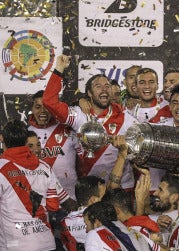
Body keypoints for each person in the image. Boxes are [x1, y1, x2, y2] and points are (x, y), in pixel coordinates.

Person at [43, 55, 138, 190]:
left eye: (107, 86)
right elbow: (49, 102)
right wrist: (59, 69)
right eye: (98, 86)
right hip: (91, 190)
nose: (104, 89)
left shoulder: (126, 118)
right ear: (89, 93)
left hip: (121, 187)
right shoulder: (79, 115)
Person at [0, 120, 60, 251]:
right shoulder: (45, 167)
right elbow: (53, 206)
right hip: (46, 245)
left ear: (2, 139)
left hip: (16, 249)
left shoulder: (1, 168)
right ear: (26, 139)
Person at [28, 90, 82, 200]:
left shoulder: (68, 129)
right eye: (38, 107)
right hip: (39, 199)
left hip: (70, 197)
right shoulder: (26, 133)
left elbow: (84, 157)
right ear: (32, 109)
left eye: (47, 107)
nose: (43, 111)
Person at [83, 201, 160, 251]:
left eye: (87, 224)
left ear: (97, 223)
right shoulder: (135, 233)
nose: (86, 230)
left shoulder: (94, 234)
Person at [60, 176, 107, 251]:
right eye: (104, 197)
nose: (107, 200)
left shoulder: (64, 223)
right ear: (93, 200)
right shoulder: (103, 220)